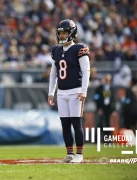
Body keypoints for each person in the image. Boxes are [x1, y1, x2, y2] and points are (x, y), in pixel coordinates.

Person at [48, 19, 90, 163]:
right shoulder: (56, 50)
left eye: (65, 33)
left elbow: (86, 71)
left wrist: (84, 91)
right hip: (62, 92)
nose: (62, 36)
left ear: (72, 33)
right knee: (65, 124)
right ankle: (70, 153)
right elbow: (53, 73)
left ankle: (79, 154)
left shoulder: (79, 49)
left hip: (76, 90)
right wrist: (51, 93)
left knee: (76, 123)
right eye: (60, 33)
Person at [93, 74, 116, 140]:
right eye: (106, 80)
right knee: (100, 124)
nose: (107, 81)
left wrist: (113, 110)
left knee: (108, 124)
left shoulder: (111, 89)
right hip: (101, 109)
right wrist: (99, 108)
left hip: (109, 109)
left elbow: (113, 99)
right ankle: (96, 139)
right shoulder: (99, 88)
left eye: (109, 80)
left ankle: (108, 139)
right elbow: (96, 98)